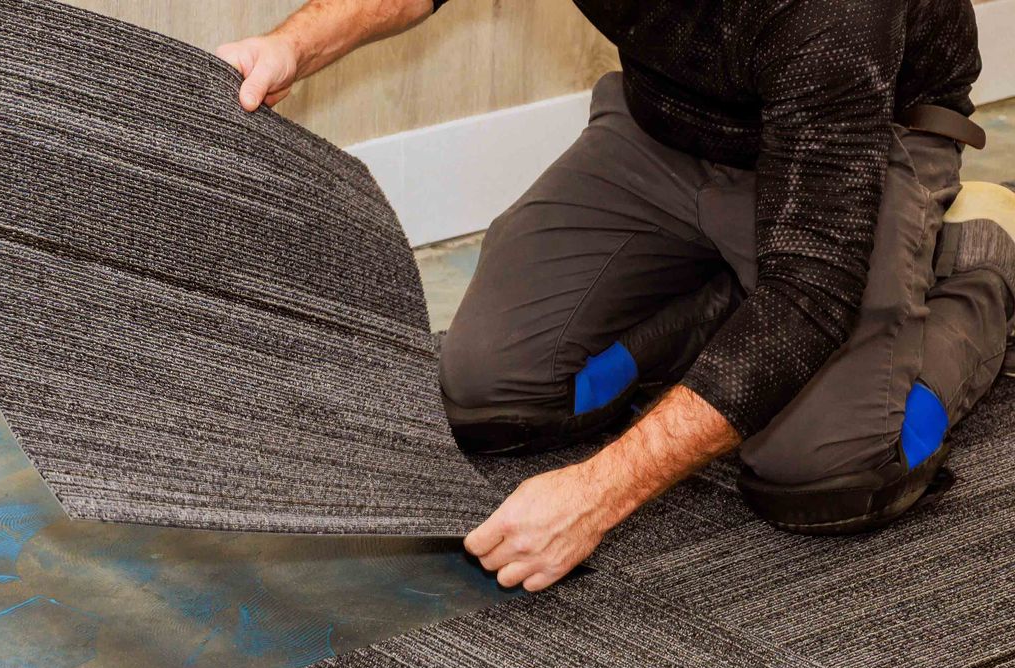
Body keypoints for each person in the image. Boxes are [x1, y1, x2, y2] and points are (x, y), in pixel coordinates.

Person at [220, 0, 1015, 591]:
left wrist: (597, 495)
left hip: (858, 153)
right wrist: (290, 47)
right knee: (488, 387)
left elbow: (810, 296)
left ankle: (982, 264)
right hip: (666, 133)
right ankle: (724, 298)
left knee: (823, 469)